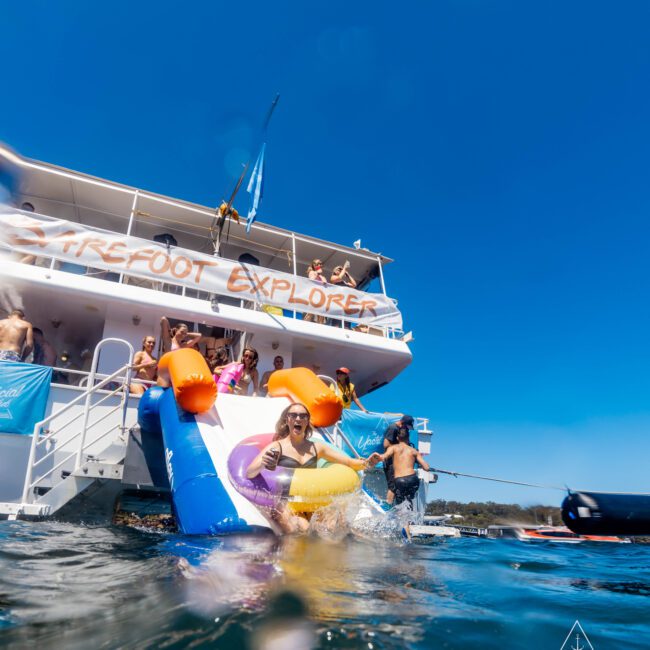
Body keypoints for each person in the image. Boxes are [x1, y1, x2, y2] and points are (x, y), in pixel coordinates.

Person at [246, 402, 373, 533]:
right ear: (287, 420)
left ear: (307, 421)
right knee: (303, 528)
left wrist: (368, 463)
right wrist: (262, 463)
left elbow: (348, 462)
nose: (298, 419)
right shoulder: (277, 447)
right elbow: (250, 473)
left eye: (303, 416)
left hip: (312, 501)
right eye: (293, 415)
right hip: (289, 502)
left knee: (333, 525)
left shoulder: (317, 448)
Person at [369, 426, 429, 508]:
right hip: (413, 479)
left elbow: (383, 457)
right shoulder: (414, 451)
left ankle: (394, 514)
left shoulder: (393, 448)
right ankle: (409, 519)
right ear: (408, 437)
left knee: (401, 506)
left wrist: (374, 457)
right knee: (408, 504)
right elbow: (426, 467)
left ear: (397, 438)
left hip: (400, 480)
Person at [381, 415, 415, 505]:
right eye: (406, 426)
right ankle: (388, 508)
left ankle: (397, 510)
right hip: (390, 463)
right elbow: (386, 444)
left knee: (398, 488)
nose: (406, 428)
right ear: (402, 422)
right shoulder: (393, 428)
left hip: (397, 463)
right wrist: (401, 447)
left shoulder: (400, 429)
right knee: (393, 487)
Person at [304, 259, 327, 324]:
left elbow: (325, 283)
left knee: (321, 314)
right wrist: (317, 273)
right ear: (314, 265)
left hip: (321, 295)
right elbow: (312, 280)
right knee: (311, 311)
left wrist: (320, 275)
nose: (319, 265)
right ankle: (304, 324)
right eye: (317, 264)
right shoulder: (312, 272)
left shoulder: (322, 276)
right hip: (314, 294)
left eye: (320, 264)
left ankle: (320, 327)